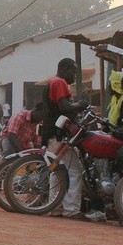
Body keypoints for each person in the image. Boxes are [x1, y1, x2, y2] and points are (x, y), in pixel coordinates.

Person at [41, 58, 89, 219]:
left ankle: (55, 207)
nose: (75, 76)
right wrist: (80, 104)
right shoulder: (59, 82)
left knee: (56, 171)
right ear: (66, 69)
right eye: (74, 72)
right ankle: (72, 210)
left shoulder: (51, 82)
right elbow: (65, 107)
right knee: (75, 170)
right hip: (59, 134)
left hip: (50, 133)